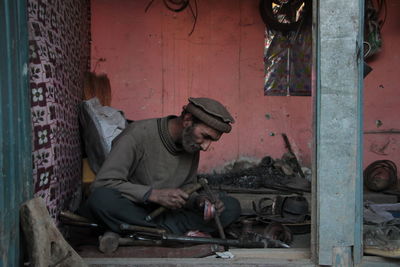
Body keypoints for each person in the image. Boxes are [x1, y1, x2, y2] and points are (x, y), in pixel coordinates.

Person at [78, 97, 241, 235]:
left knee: (231, 206)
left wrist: (200, 201)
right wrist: (152, 194)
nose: (206, 146)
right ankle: (169, 233)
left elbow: (188, 187)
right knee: (101, 200)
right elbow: (102, 183)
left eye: (211, 140)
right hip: (135, 209)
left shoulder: (190, 142)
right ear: (187, 120)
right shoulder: (137, 134)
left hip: (166, 214)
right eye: (205, 136)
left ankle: (150, 233)